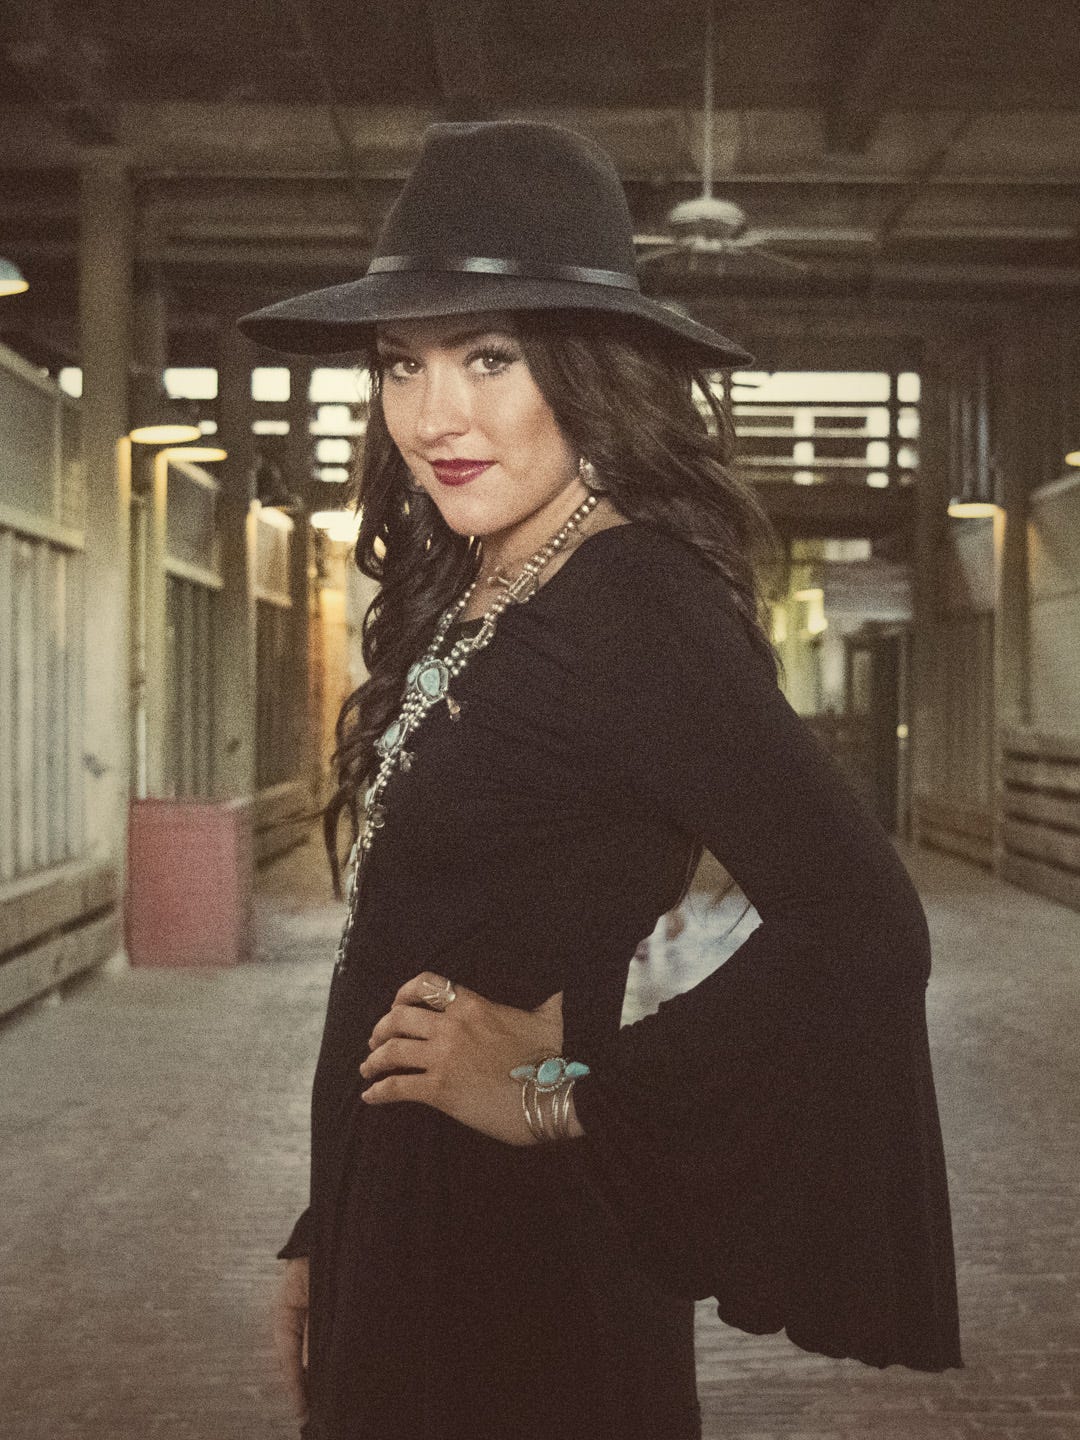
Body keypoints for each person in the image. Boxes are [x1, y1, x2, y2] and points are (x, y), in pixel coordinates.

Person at [239, 120, 962, 1440]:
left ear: (586, 368)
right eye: (401, 362)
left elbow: (864, 928)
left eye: (489, 357)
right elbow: (400, 945)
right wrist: (325, 1221)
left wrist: (565, 1093)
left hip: (522, 1269)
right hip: (394, 1217)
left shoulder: (636, 606)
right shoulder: (473, 582)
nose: (434, 416)